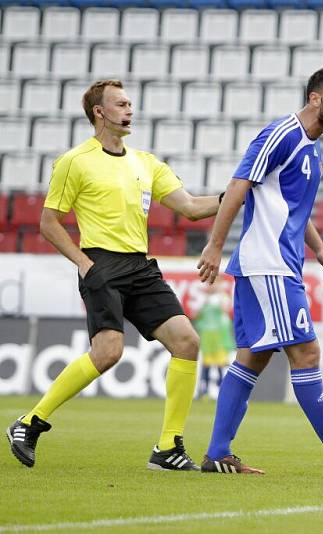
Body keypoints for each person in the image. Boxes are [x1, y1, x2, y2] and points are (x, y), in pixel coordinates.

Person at [6, 79, 221, 471]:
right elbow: (49, 222)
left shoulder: (146, 162)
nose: (129, 109)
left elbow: (190, 207)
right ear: (99, 112)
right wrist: (84, 264)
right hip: (101, 263)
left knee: (187, 342)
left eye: (130, 103)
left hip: (140, 266)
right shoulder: (75, 161)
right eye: (121, 104)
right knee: (108, 352)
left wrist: (233, 197)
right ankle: (30, 422)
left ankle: (168, 447)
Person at [196, 67, 323, 476]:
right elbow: (239, 186)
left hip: (276, 264)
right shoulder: (281, 135)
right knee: (307, 353)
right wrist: (214, 244)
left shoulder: (311, 148)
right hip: (269, 265)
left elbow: (291, 207)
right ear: (315, 98)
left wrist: (318, 249)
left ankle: (217, 453)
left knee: (254, 356)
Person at [195, 279, 235, 398]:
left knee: (221, 365)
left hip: (220, 337)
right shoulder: (203, 299)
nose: (211, 286)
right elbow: (196, 315)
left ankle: (224, 391)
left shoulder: (222, 298)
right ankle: (204, 391)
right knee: (206, 365)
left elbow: (226, 311)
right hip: (208, 337)